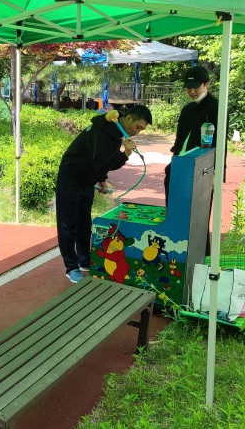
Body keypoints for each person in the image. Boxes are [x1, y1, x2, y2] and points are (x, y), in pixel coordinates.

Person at [55, 106, 152, 283]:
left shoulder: (115, 131)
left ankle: (84, 261)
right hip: (71, 176)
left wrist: (101, 178)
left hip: (87, 178)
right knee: (68, 224)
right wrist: (125, 154)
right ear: (128, 118)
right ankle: (71, 267)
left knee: (84, 222)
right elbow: (100, 161)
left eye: (141, 130)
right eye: (137, 127)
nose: (137, 132)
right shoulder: (102, 130)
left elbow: (102, 160)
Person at [163, 66, 221, 204]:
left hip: (202, 169)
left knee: (197, 212)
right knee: (174, 209)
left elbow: (220, 143)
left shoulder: (217, 108)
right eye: (189, 87)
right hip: (179, 166)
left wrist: (216, 172)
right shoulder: (187, 109)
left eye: (196, 87)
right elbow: (179, 140)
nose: (192, 91)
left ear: (207, 84)